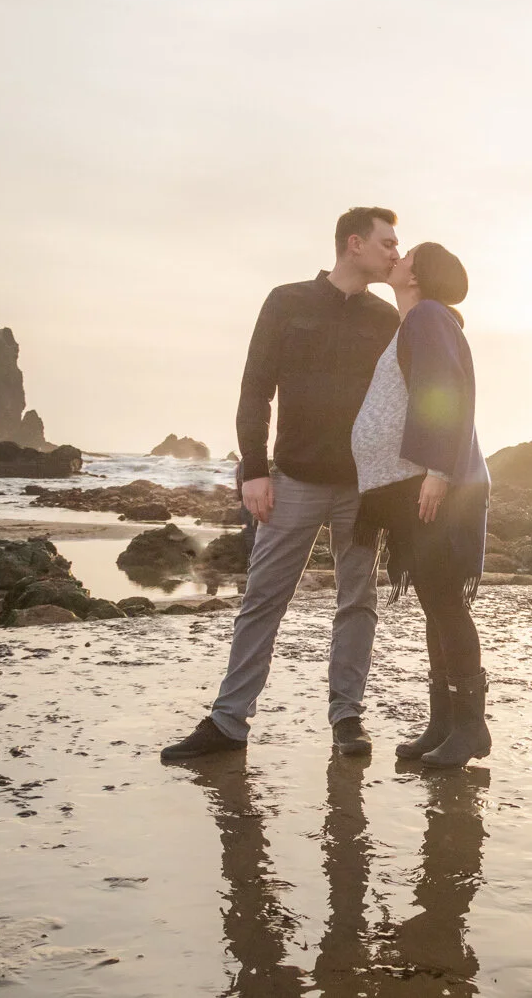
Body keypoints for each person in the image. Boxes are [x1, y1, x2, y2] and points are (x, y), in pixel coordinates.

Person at [161, 206, 401, 762]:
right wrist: (254, 470)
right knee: (263, 599)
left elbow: (400, 402)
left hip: (362, 489)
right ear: (354, 243)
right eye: (387, 243)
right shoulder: (286, 301)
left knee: (357, 599)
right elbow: (254, 390)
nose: (395, 253)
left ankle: (347, 718)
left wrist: (392, 482)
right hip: (291, 478)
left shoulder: (386, 319)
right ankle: (228, 722)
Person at [348, 242, 493, 768]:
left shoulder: (429, 316)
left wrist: (436, 472)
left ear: (418, 275)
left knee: (446, 604)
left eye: (405, 253)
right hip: (417, 485)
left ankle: (471, 726)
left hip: (436, 486)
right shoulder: (418, 320)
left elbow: (442, 391)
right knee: (437, 603)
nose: (397, 257)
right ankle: (444, 722)